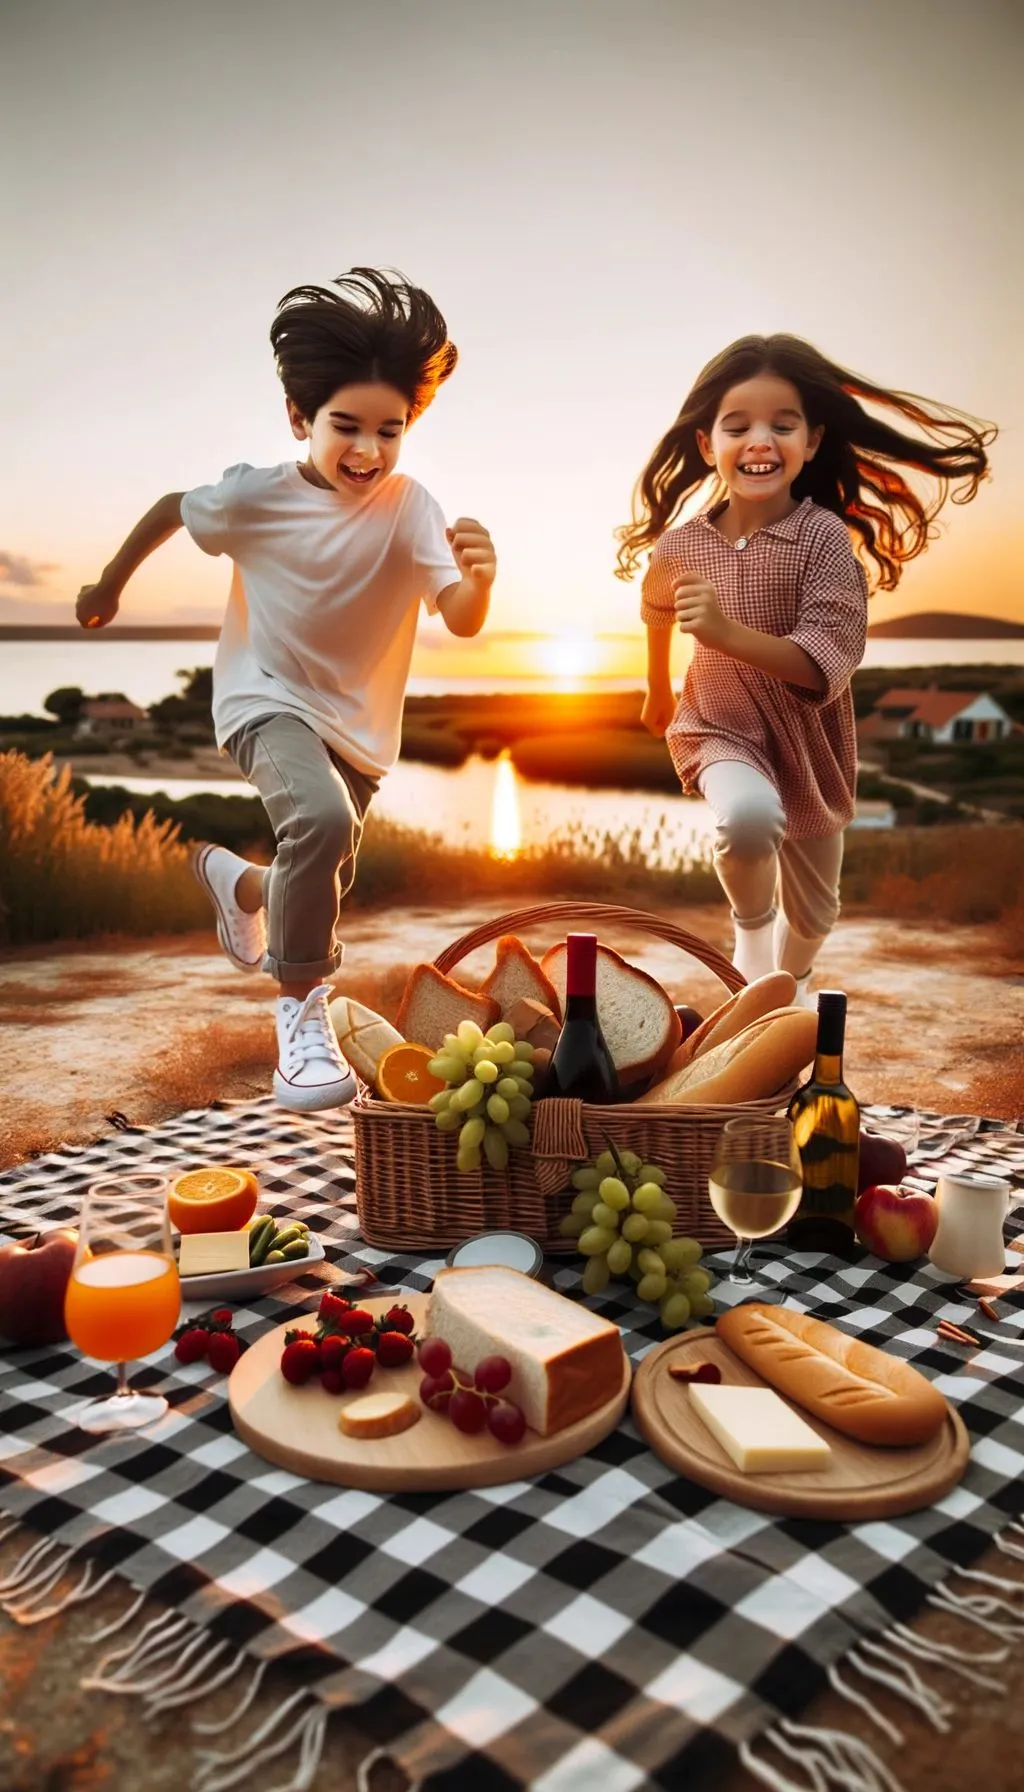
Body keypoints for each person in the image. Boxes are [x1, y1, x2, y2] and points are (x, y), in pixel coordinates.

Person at [76, 268, 496, 1111]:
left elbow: (458, 614)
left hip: (360, 731)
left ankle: (239, 886)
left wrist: (481, 581)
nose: (368, 451)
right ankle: (302, 1021)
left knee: (319, 868)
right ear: (300, 418)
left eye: (391, 430)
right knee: (323, 820)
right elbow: (171, 506)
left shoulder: (410, 507)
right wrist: (107, 586)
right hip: (260, 699)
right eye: (346, 427)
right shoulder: (253, 497)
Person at [616, 335, 994, 1006]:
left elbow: (827, 658)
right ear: (708, 445)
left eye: (781, 425)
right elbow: (654, 605)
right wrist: (656, 686)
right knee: (749, 821)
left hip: (808, 742)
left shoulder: (824, 540)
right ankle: (752, 936)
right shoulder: (682, 545)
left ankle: (790, 980)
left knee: (818, 913)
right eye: (738, 426)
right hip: (719, 726)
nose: (760, 440)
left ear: (812, 442)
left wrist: (727, 633)